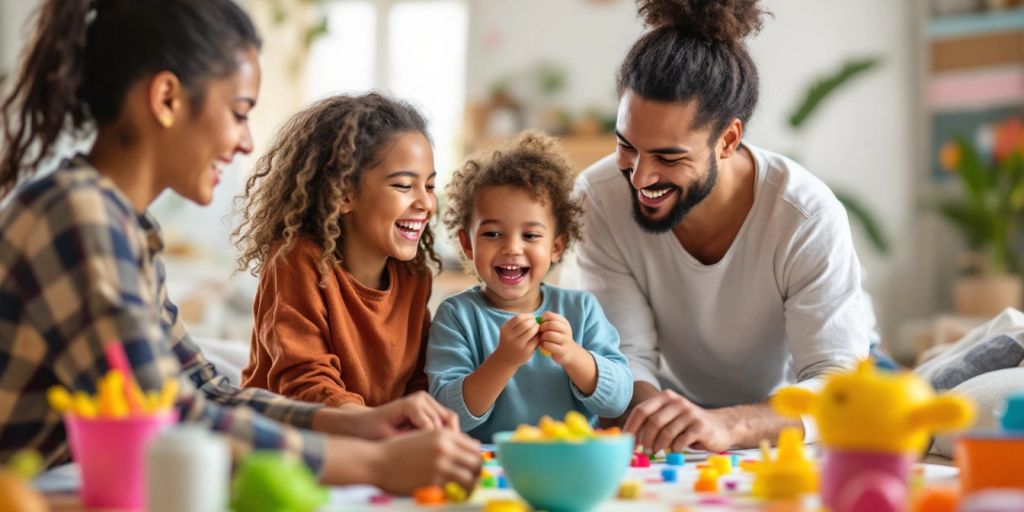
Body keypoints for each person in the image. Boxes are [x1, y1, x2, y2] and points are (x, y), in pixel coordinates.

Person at [0, 0, 480, 493]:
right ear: (167, 99)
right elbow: (169, 422)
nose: (247, 142)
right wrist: (374, 465)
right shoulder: (77, 218)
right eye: (238, 112)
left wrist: (357, 425)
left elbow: (203, 390)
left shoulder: (121, 226)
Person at [574, 0, 876, 454]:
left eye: (668, 157)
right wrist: (657, 422)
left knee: (900, 406)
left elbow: (837, 385)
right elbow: (625, 359)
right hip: (681, 399)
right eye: (626, 145)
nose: (638, 177)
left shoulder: (805, 215)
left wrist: (729, 425)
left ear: (728, 140)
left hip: (789, 407)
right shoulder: (597, 198)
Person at [234, 93, 440, 408]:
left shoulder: (413, 276)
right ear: (343, 194)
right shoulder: (297, 260)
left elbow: (418, 384)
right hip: (296, 437)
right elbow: (305, 384)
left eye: (429, 186)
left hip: (374, 440)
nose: (425, 203)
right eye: (403, 186)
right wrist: (383, 426)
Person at [427, 132, 632, 442]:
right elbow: (447, 413)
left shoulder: (581, 311)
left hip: (570, 462)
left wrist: (573, 355)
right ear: (467, 245)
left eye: (531, 236)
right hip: (488, 469)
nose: (511, 248)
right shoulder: (457, 315)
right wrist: (503, 360)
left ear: (557, 246)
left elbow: (617, 399)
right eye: (493, 234)